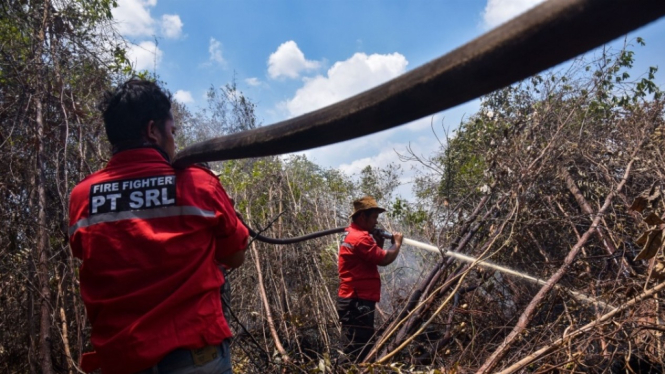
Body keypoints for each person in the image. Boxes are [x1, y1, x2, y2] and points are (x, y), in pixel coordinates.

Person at [68, 79, 248, 374]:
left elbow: (91, 256)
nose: (174, 140)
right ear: (153, 130)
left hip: (119, 361)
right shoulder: (198, 183)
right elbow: (234, 257)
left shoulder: (81, 196)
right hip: (196, 358)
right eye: (172, 131)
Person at [337, 196, 403, 361]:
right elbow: (384, 259)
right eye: (373, 217)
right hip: (356, 301)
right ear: (362, 217)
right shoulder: (360, 238)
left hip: (356, 299)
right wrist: (396, 244)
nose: (376, 223)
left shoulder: (354, 234)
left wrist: (378, 244)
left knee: (358, 346)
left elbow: (369, 259)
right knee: (356, 350)